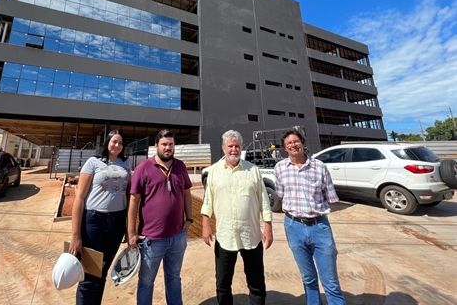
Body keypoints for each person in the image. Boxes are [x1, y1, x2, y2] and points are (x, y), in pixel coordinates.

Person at [274, 129, 345, 305]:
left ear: (303, 143)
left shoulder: (319, 167)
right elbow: (281, 195)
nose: (293, 145)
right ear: (284, 148)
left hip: (319, 226)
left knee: (330, 281)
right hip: (293, 226)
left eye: (296, 141)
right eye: (289, 143)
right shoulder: (280, 168)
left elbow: (331, 197)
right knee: (308, 279)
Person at [201, 130, 273, 305]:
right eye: (230, 146)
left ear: (241, 148)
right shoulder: (214, 172)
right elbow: (208, 201)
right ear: (223, 148)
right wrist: (205, 225)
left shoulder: (253, 170)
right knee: (223, 283)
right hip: (225, 236)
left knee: (256, 282)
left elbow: (263, 200)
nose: (234, 149)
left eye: (237, 146)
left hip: (251, 235)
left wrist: (268, 227)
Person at [127, 130, 193, 305]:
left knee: (174, 278)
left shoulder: (180, 166)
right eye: (164, 144)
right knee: (147, 282)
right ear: (156, 146)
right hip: (151, 240)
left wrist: (190, 219)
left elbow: (187, 193)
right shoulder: (144, 168)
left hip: (178, 237)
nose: (168, 148)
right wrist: (131, 232)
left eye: (171, 144)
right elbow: (133, 201)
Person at [68, 129, 131, 304]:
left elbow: (127, 196)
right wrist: (75, 235)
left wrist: (128, 228)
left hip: (116, 223)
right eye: (114, 141)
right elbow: (79, 197)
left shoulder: (126, 164)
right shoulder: (93, 162)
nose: (117, 145)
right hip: (93, 221)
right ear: (107, 143)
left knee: (102, 273)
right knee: (89, 275)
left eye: (120, 143)